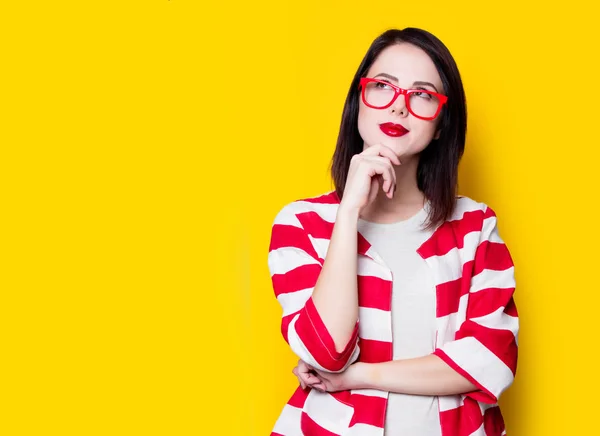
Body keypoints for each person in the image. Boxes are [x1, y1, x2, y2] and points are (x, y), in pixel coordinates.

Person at [267, 27, 518, 436]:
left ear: (440, 124)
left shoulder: (475, 227)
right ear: (359, 103)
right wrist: (348, 213)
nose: (398, 107)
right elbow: (326, 352)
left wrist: (360, 376)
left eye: (422, 94)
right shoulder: (302, 223)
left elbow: (490, 359)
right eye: (382, 86)